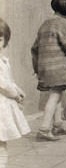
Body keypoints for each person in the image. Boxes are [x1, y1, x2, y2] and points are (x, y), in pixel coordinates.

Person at [31, 0, 66, 141]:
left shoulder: (45, 24)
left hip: (44, 66)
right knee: (54, 96)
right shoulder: (62, 24)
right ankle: (44, 129)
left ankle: (58, 124)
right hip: (57, 65)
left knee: (57, 93)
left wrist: (36, 68)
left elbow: (34, 48)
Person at [0, 18, 30, 166]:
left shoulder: (3, 60)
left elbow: (9, 80)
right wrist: (15, 94)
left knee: (2, 142)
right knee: (1, 144)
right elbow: (2, 84)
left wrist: (18, 90)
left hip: (3, 108)